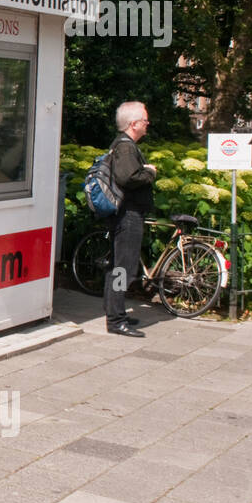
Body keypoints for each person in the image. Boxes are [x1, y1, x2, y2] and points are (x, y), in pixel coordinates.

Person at [104, 101, 156, 338]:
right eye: (144, 121)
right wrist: (149, 173)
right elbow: (128, 178)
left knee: (118, 267)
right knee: (123, 269)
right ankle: (116, 320)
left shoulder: (124, 146)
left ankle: (117, 312)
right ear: (134, 124)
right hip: (128, 215)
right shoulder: (126, 148)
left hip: (125, 214)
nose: (147, 124)